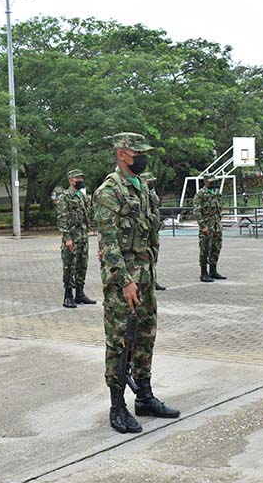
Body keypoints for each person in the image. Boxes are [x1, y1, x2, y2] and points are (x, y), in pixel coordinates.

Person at [94, 132, 179, 434]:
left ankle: (144, 396)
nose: (142, 158)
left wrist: (150, 267)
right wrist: (125, 281)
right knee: (120, 341)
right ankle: (117, 406)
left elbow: (150, 232)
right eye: (137, 153)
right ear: (121, 154)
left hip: (145, 275)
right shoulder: (109, 191)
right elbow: (110, 241)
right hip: (124, 280)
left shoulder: (142, 188)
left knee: (145, 335)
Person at [56, 169, 96, 307]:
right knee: (69, 266)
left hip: (83, 237)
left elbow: (88, 214)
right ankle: (68, 296)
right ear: (70, 180)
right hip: (72, 238)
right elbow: (62, 219)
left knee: (82, 265)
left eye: (81, 178)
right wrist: (67, 238)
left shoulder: (82, 196)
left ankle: (80, 293)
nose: (80, 180)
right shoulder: (65, 197)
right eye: (77, 178)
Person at [193, 175, 226, 282]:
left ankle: (213, 270)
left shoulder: (216, 193)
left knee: (216, 248)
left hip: (216, 225)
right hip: (207, 226)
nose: (213, 183)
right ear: (206, 182)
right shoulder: (200, 194)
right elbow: (197, 211)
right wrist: (203, 226)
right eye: (211, 182)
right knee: (205, 249)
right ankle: (203, 273)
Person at [140, 172, 166, 291]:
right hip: (145, 228)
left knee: (154, 253)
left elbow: (155, 202)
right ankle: (146, 280)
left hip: (154, 228)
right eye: (149, 181)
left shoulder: (151, 192)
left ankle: (153, 279)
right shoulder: (140, 193)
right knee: (146, 255)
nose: (151, 183)